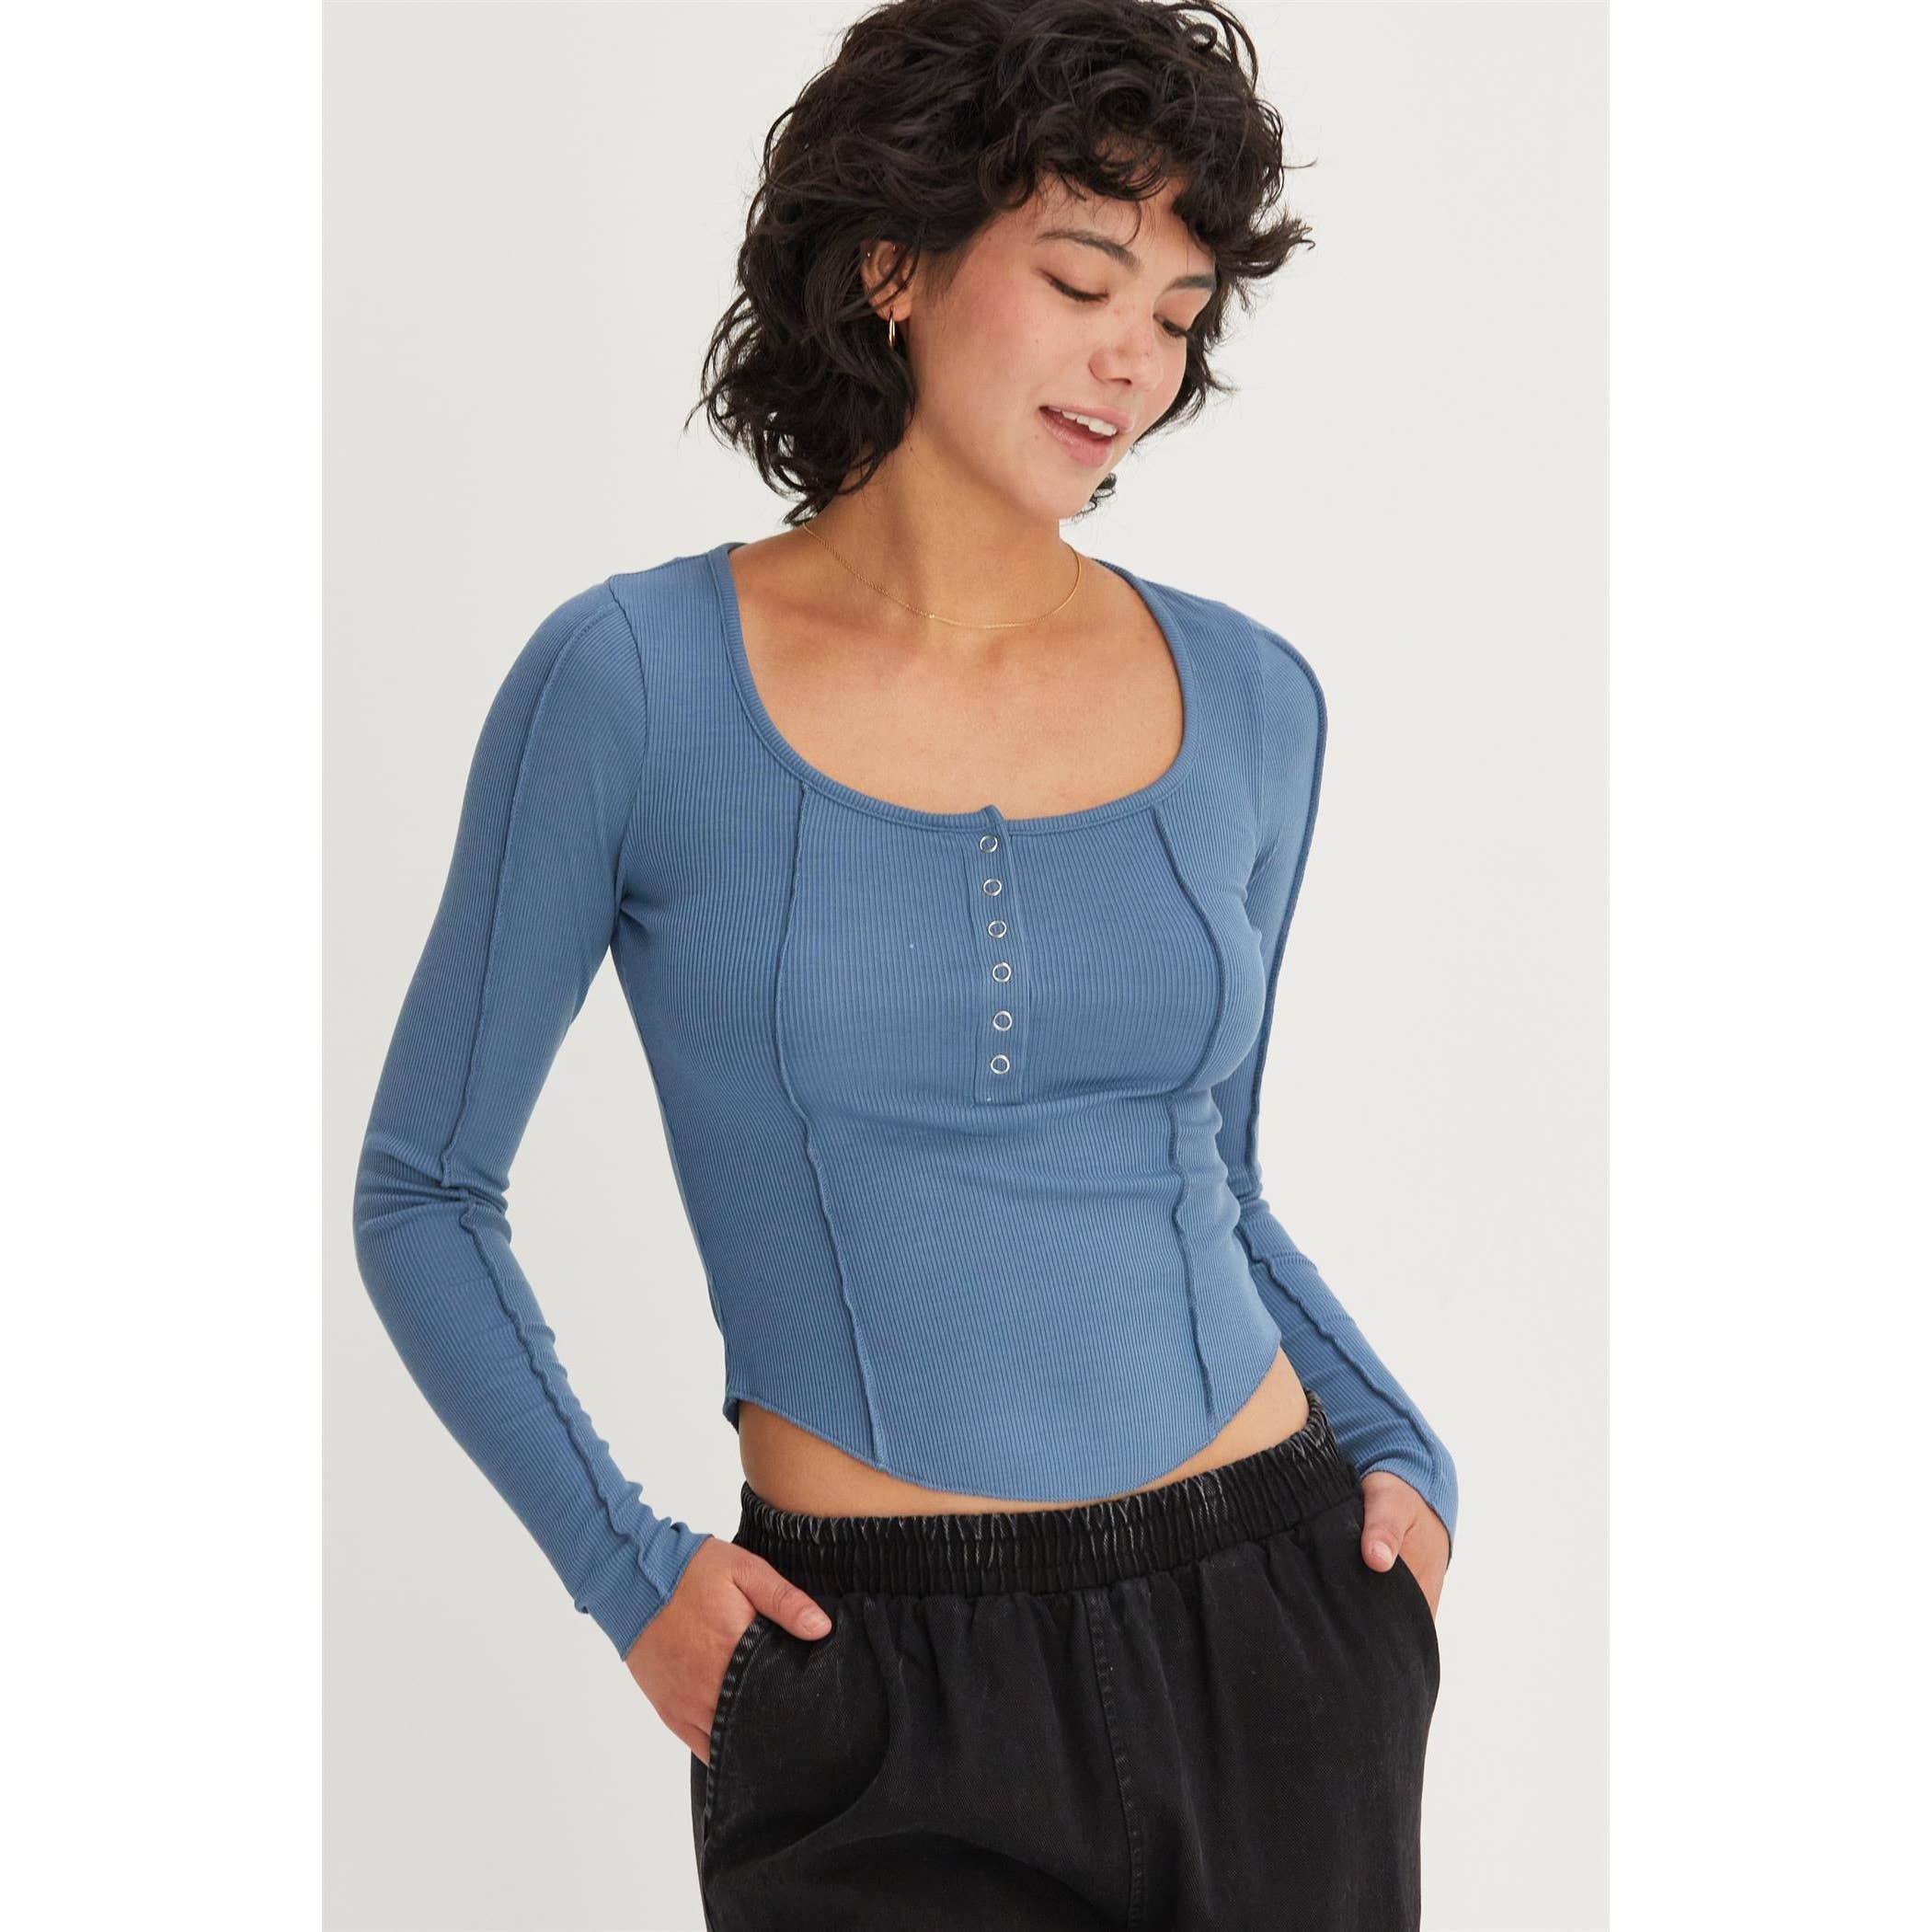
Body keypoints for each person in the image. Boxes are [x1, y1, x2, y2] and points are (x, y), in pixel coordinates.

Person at [351, 1, 1458, 1925]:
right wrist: (629, 1578)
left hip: (1278, 1629)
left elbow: (1215, 1167)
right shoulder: (629, 685)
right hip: (870, 1683)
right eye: (1082, 278)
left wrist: (1405, 1450)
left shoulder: (1254, 700)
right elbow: (424, 1193)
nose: (1134, 357)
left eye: (1180, 312)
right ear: (894, 264)